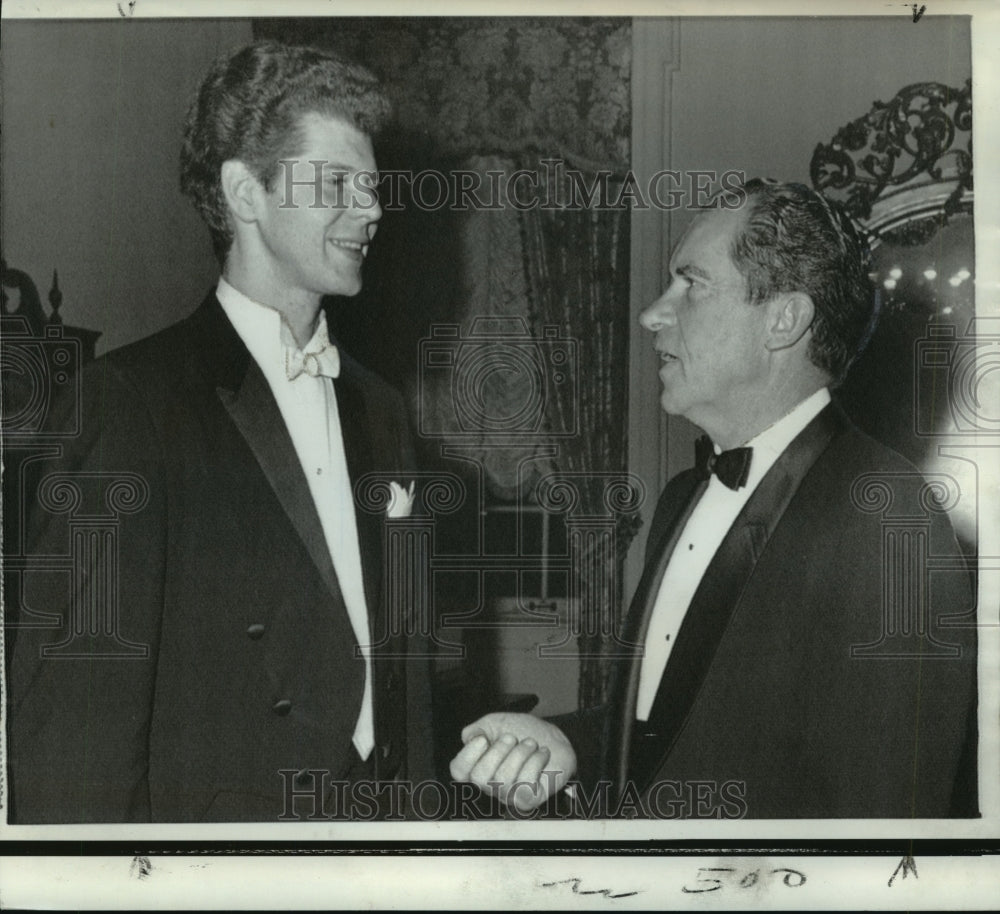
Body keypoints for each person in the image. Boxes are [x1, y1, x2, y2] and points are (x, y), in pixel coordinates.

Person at [451, 179, 978, 818]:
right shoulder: (681, 498)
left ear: (783, 320)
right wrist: (569, 742)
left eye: (690, 285)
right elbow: (675, 726)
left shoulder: (889, 519)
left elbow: (889, 829)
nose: (652, 313)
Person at [6, 41, 433, 823]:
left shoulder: (378, 407)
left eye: (373, 187)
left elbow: (404, 679)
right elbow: (74, 735)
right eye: (338, 183)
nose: (372, 210)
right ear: (245, 192)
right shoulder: (127, 403)